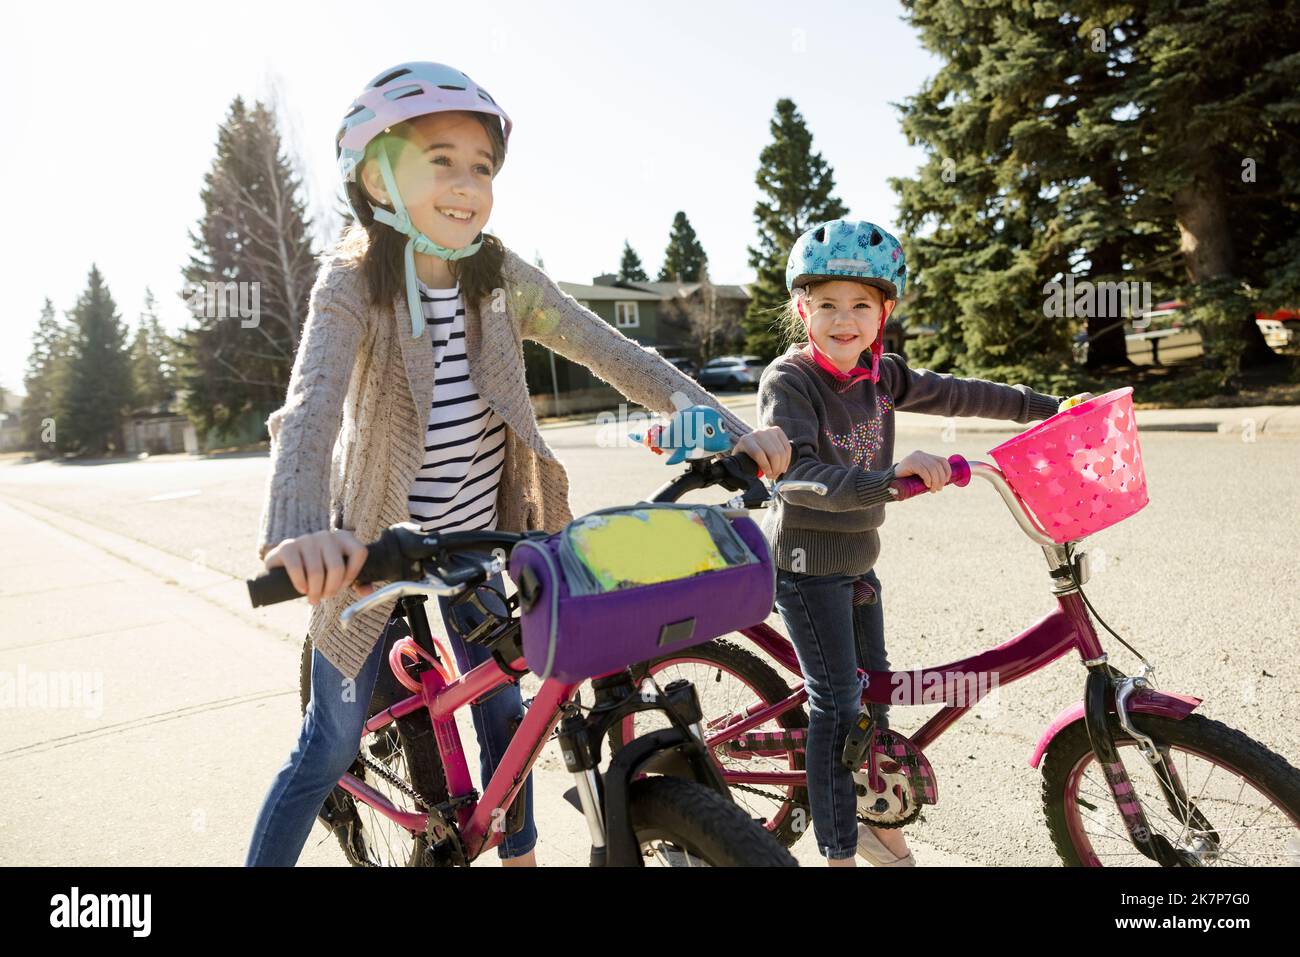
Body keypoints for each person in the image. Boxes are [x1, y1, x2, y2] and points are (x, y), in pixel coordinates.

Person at [245, 62, 792, 866]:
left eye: (482, 167)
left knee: (511, 718)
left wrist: (718, 428)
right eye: (441, 160)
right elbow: (310, 403)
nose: (468, 184)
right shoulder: (354, 280)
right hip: (372, 554)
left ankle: (519, 857)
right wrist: (295, 533)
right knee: (328, 747)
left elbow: (611, 350)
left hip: (477, 543)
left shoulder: (497, 276)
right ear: (375, 176)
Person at [758, 218, 1080, 866]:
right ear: (803, 309)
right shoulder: (790, 382)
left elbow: (962, 391)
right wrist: (890, 477)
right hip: (804, 567)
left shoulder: (883, 374)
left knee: (874, 693)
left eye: (860, 305)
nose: (842, 320)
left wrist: (1051, 407)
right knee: (839, 703)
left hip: (858, 562)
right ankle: (839, 848)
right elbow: (797, 479)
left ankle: (878, 824)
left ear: (885, 311)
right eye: (826, 304)